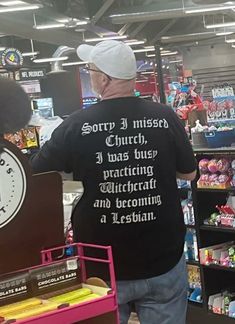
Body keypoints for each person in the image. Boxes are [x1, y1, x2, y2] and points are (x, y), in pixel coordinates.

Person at [30, 40, 196, 324]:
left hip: (102, 265)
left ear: (104, 79)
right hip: (162, 257)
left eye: (90, 69)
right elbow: (189, 174)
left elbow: (37, 174)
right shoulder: (165, 117)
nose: (89, 74)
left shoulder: (75, 125)